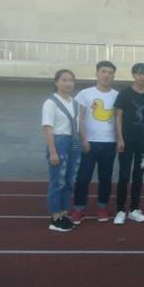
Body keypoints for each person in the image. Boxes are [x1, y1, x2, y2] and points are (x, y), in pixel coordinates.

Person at [72, 60, 118, 224]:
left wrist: (119, 140)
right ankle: (79, 209)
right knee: (83, 177)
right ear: (97, 73)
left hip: (109, 143)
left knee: (105, 178)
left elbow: (118, 119)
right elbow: (80, 119)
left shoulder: (117, 95)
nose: (106, 75)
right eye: (103, 71)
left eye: (110, 73)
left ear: (113, 76)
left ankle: (102, 207)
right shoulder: (85, 93)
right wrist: (83, 139)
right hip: (89, 143)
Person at [113, 63, 144, 225]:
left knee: (138, 175)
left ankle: (134, 209)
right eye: (139, 73)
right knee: (124, 175)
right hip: (126, 141)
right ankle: (120, 210)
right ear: (133, 75)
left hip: (143, 141)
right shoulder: (124, 93)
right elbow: (118, 116)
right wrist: (120, 138)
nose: (142, 77)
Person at [42, 69, 81, 232]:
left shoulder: (75, 103)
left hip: (74, 142)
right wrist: (53, 151)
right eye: (64, 80)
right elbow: (48, 128)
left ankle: (64, 213)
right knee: (58, 181)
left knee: (70, 181)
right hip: (59, 142)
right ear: (56, 82)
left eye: (71, 80)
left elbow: (78, 125)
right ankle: (55, 217)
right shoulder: (50, 102)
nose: (68, 83)